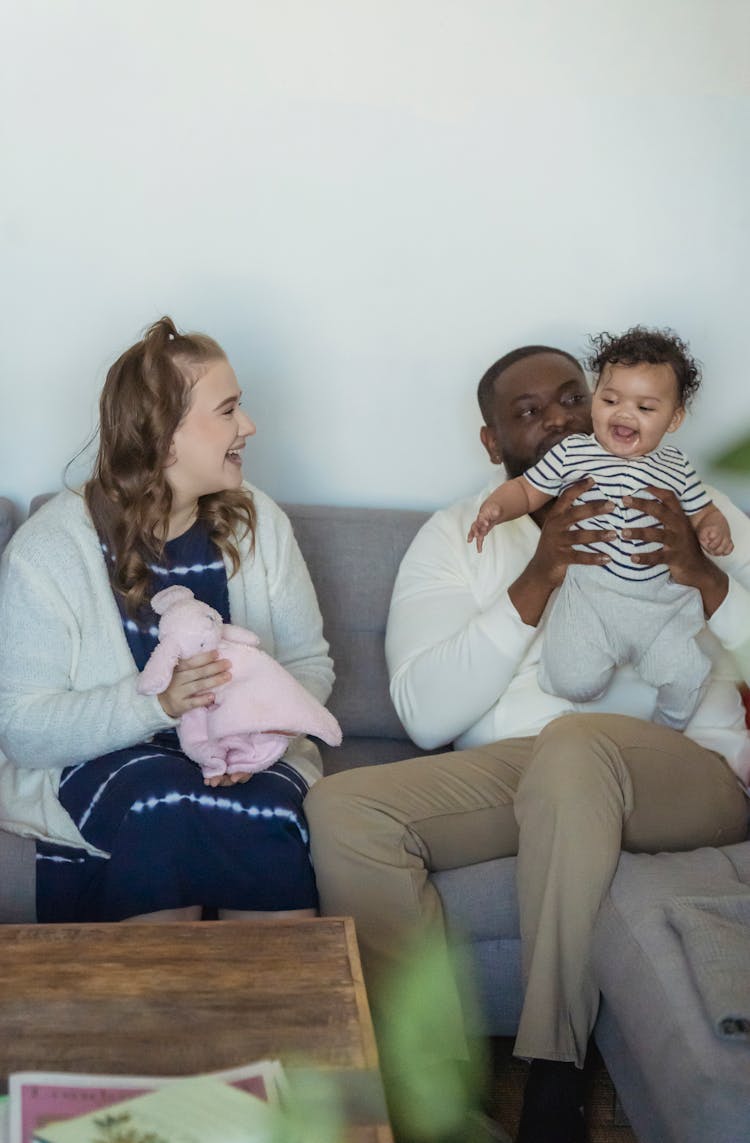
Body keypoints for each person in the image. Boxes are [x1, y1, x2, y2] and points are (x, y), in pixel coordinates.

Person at [304, 342, 750, 1143]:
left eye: (571, 398)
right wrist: (538, 576)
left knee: (577, 743)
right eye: (528, 412)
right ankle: (432, 1099)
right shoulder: (460, 534)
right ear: (492, 443)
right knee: (343, 807)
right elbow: (423, 714)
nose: (558, 421)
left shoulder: (693, 505)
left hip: (683, 768)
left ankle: (553, 1071)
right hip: (530, 767)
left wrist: (704, 575)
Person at [0, 316, 334, 924]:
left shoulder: (258, 522)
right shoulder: (49, 550)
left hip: (246, 758)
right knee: (162, 801)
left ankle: (284, 1011)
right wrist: (159, 706)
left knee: (267, 808)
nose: (249, 427)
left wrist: (253, 740)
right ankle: (153, 1016)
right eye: (228, 410)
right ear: (164, 434)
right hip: (103, 760)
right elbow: (22, 729)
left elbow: (309, 662)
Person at [466, 328, 733, 730]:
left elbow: (703, 511)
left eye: (645, 408)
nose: (623, 415)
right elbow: (526, 489)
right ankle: (568, 689)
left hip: (661, 609)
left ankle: (665, 732)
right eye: (610, 400)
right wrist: (495, 509)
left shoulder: (676, 466)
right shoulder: (575, 453)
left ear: (674, 418)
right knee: (573, 681)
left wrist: (714, 530)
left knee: (684, 675)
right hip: (591, 601)